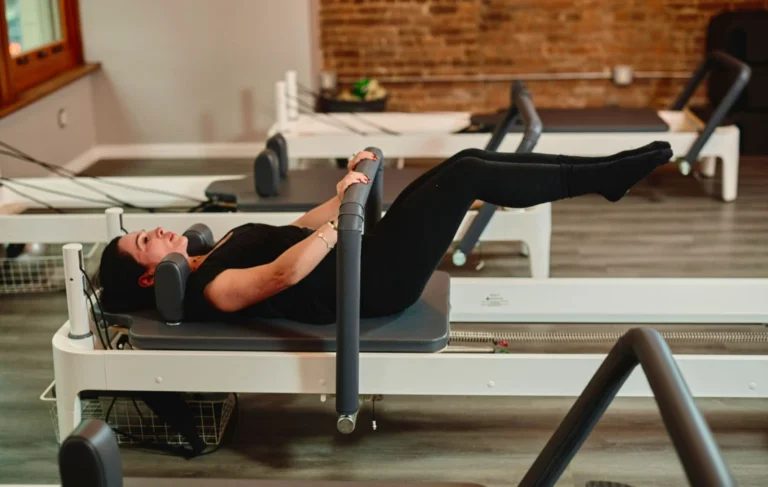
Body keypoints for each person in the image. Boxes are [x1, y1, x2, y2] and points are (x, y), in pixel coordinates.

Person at [97, 141, 673, 324]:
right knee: (468, 175)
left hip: (361, 257)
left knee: (464, 159)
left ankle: (605, 172)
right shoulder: (212, 290)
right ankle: (604, 177)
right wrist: (345, 219)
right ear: (149, 276)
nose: (155, 230)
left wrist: (346, 188)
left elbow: (291, 230)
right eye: (144, 240)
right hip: (373, 284)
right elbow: (285, 271)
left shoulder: (209, 253)